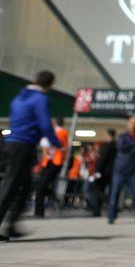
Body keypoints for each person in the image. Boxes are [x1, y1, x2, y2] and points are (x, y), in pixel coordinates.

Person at [0, 71, 61, 240]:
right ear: (49, 84)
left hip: (13, 143)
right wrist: (56, 143)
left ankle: (11, 225)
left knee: (24, 187)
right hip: (23, 144)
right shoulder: (40, 99)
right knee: (11, 186)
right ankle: (7, 224)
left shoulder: (19, 98)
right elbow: (45, 124)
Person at [108, 115, 135, 224]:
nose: (133, 125)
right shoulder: (122, 137)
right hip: (120, 170)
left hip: (134, 171)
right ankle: (111, 216)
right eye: (131, 122)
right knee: (115, 194)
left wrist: (131, 147)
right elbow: (121, 147)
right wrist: (134, 147)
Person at [34, 117, 68, 217]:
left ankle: (39, 212)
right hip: (51, 162)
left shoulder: (60, 132)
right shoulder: (61, 132)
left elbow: (47, 144)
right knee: (42, 186)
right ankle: (55, 198)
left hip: (53, 162)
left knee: (41, 187)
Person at [88, 129, 116, 216]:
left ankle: (109, 201)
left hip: (103, 172)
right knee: (101, 189)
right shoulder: (117, 146)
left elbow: (101, 160)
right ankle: (97, 210)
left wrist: (96, 171)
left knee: (93, 188)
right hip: (112, 172)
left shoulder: (106, 146)